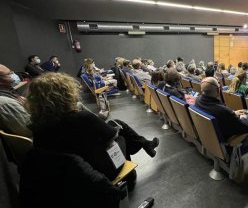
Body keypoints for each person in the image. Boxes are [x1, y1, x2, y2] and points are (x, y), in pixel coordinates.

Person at [26, 73, 159, 181]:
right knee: (121, 134)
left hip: (72, 176)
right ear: (67, 94)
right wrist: (113, 129)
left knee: (117, 123)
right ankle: (129, 174)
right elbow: (113, 136)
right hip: (100, 171)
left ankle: (144, 143)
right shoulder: (81, 118)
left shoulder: (38, 126)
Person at [195, 77, 248, 162]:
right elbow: (246, 127)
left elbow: (221, 113)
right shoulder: (222, 111)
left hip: (214, 133)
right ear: (217, 90)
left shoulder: (198, 100)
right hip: (231, 138)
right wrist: (243, 117)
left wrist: (233, 113)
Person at [0, 64, 32, 137]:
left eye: (12, 72)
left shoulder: (8, 91)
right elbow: (28, 130)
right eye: (9, 74)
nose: (14, 75)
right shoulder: (5, 103)